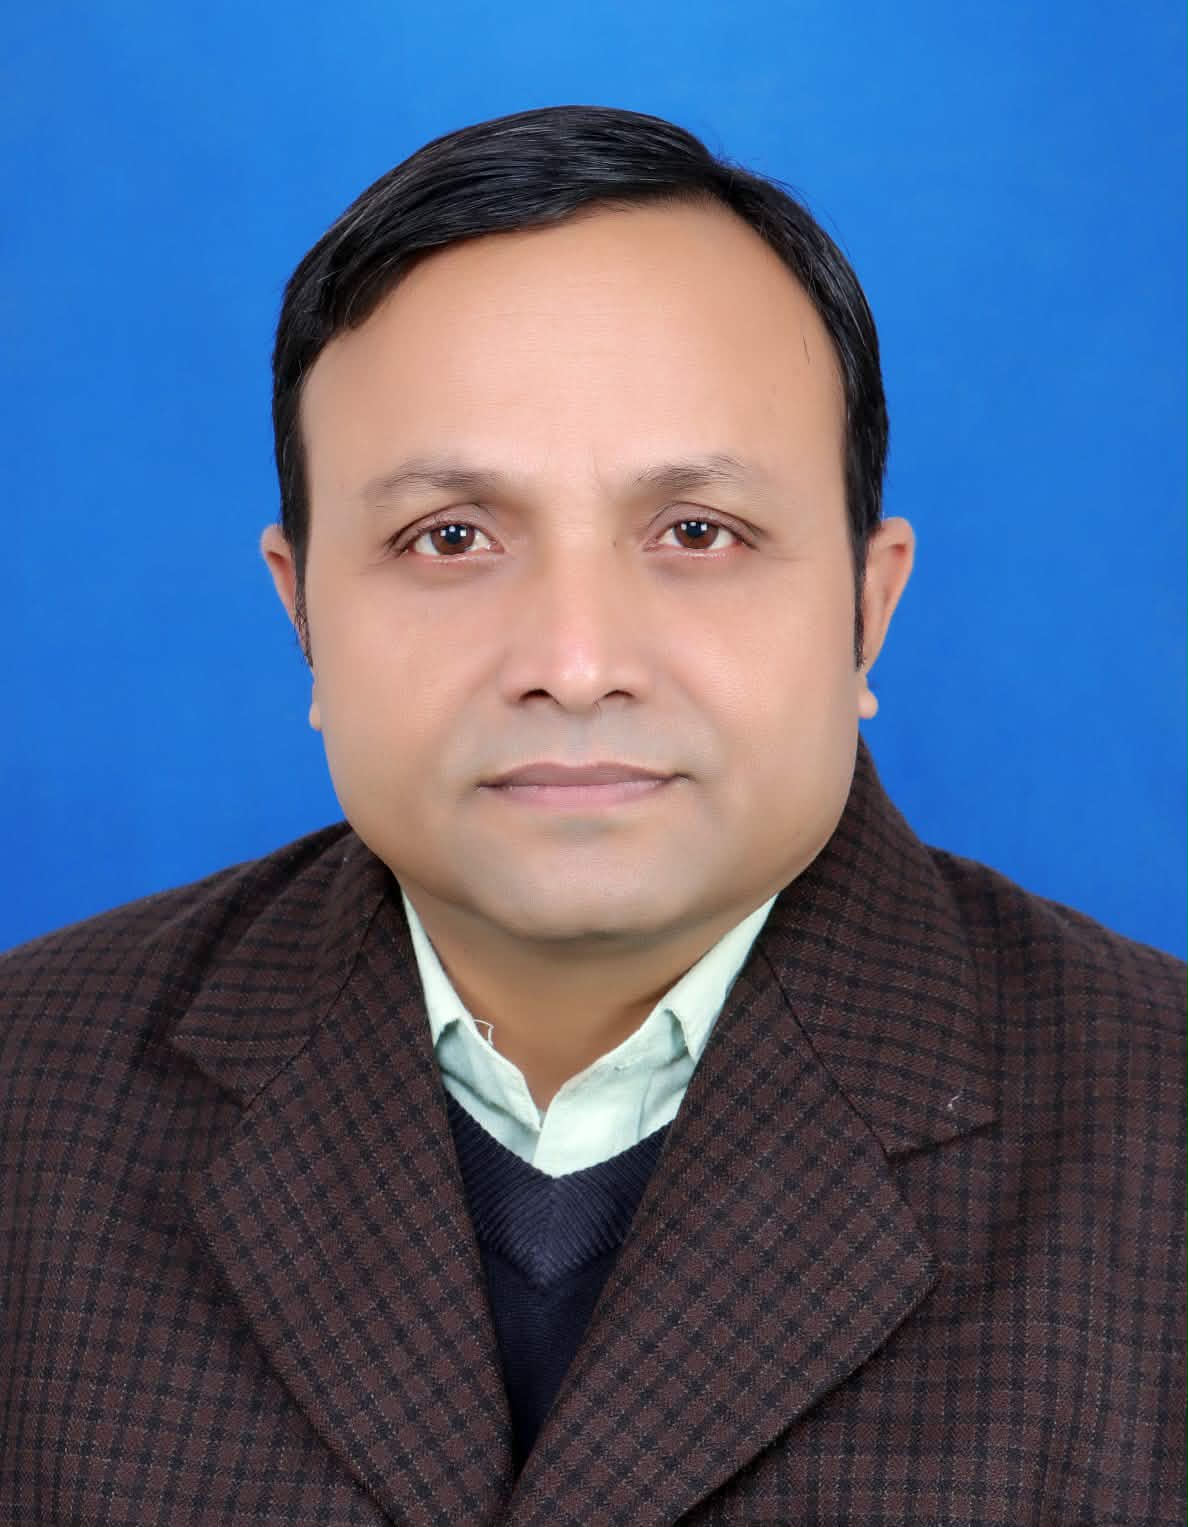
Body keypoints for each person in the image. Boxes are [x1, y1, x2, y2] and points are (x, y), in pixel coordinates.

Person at [2, 105, 1184, 1527]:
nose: (573, 663)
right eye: (450, 538)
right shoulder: (29, 1095)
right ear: (300, 609)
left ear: (868, 608)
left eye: (697, 533)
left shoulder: (1157, 1137)